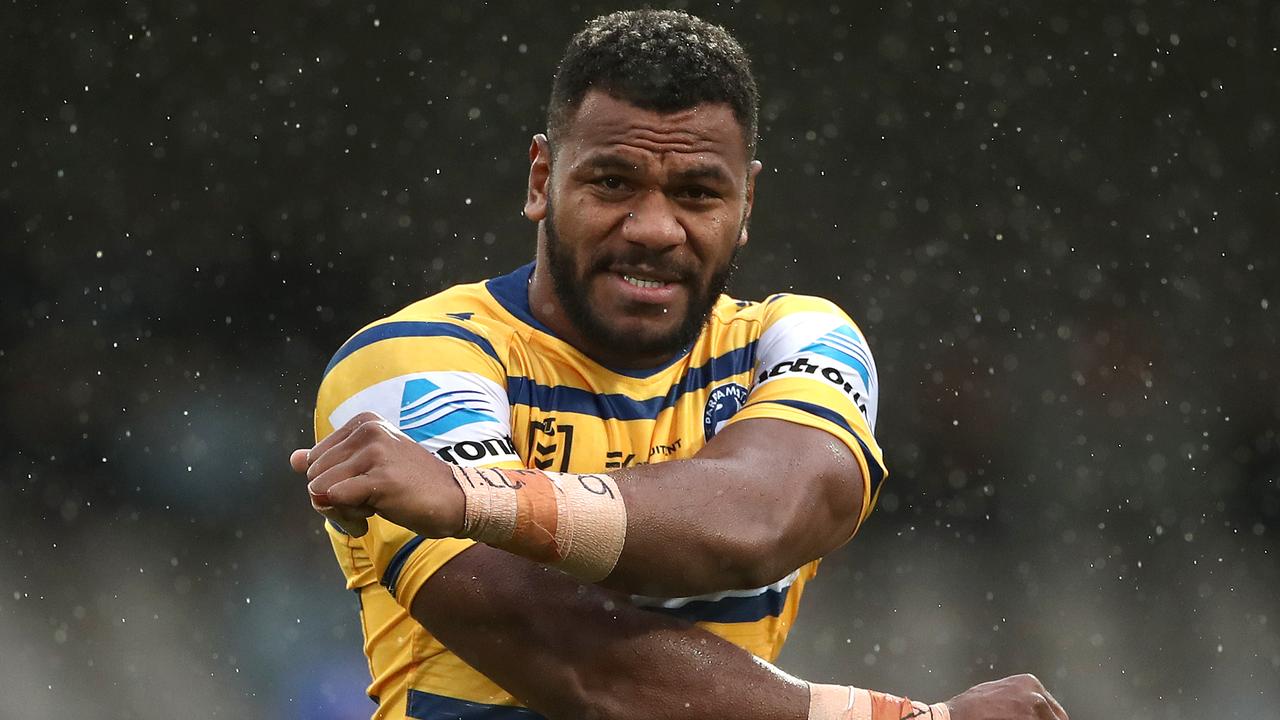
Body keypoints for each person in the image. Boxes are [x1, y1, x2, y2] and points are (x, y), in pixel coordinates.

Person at [290, 9, 1068, 720]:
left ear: (747, 206)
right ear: (541, 181)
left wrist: (478, 498)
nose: (655, 227)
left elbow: (760, 521)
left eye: (697, 192)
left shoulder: (796, 340)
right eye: (612, 182)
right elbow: (575, 662)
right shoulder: (410, 362)